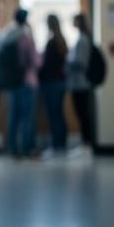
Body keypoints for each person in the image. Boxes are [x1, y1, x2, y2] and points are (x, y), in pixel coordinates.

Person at [0, 8, 40, 158]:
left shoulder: (7, 35)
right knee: (27, 116)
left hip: (12, 81)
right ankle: (27, 148)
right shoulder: (26, 37)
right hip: (27, 81)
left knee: (13, 116)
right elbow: (35, 60)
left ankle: (12, 148)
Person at [38, 14, 69, 158]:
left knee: (53, 115)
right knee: (59, 114)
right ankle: (61, 144)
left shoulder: (52, 43)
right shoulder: (62, 41)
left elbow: (46, 66)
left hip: (51, 83)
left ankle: (57, 145)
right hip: (61, 82)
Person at [67, 12, 95, 155]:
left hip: (81, 83)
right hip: (77, 83)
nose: (73, 23)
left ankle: (86, 145)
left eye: (75, 21)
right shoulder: (80, 39)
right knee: (80, 113)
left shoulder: (83, 40)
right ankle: (85, 143)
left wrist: (67, 64)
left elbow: (81, 62)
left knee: (83, 114)